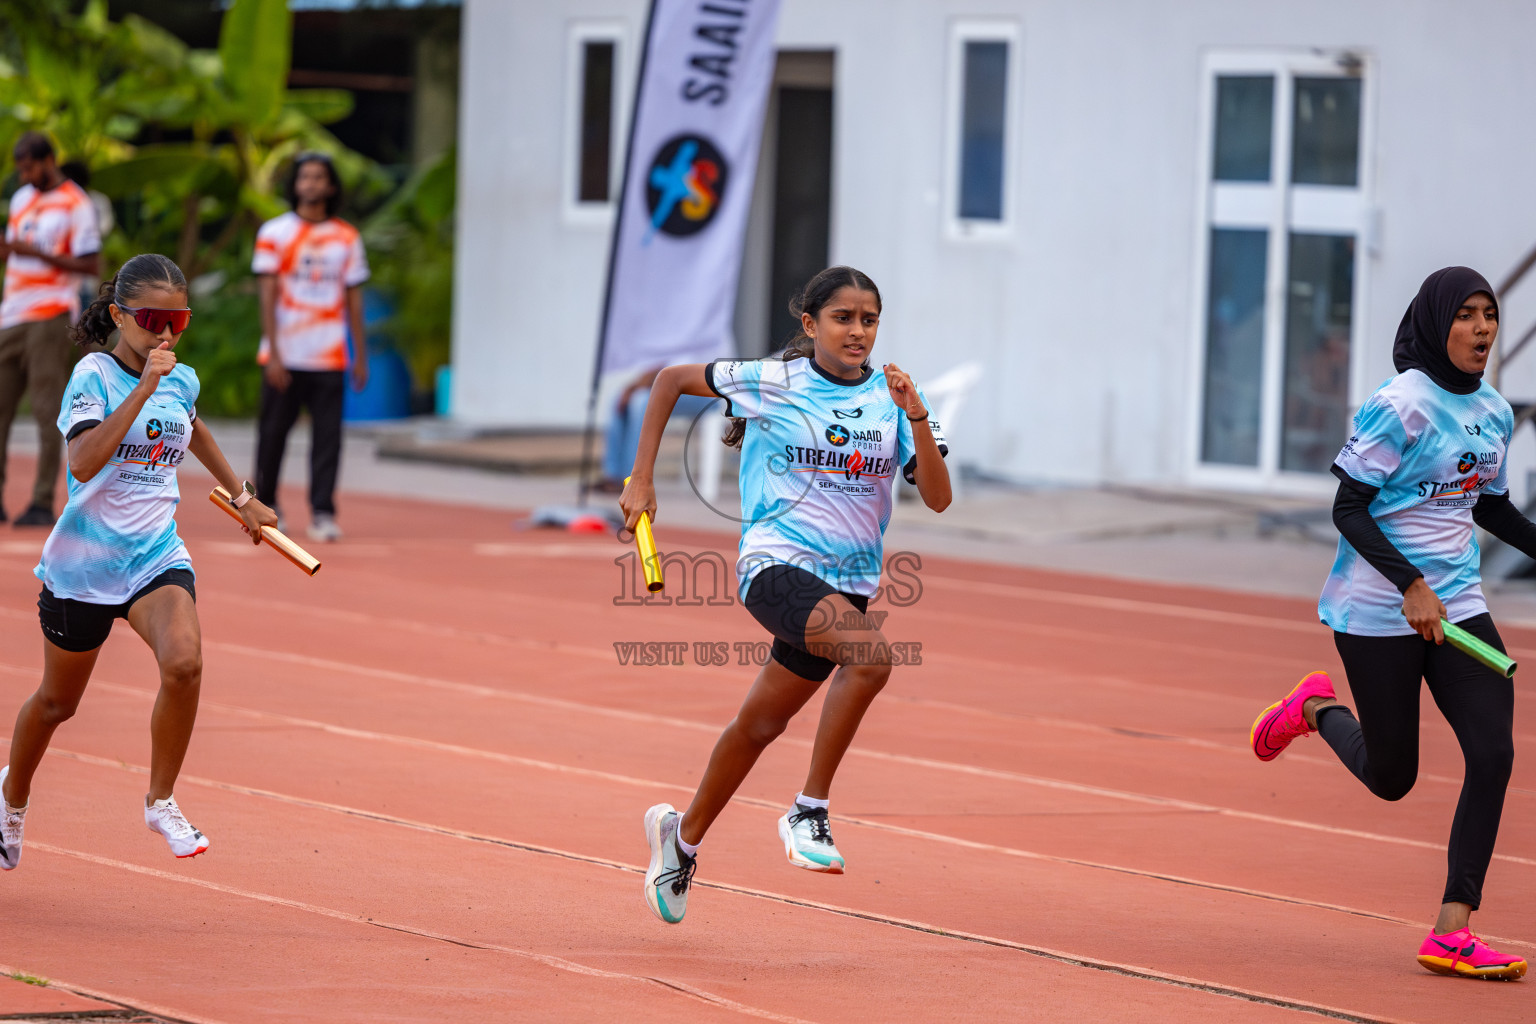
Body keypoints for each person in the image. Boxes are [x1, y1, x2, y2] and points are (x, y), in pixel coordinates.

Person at [620, 266, 951, 924]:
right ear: (811, 324)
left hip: (849, 586)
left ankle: (680, 842)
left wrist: (915, 414)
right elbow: (670, 381)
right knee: (873, 660)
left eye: (868, 319)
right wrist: (642, 478)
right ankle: (810, 811)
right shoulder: (776, 382)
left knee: (761, 724)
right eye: (843, 318)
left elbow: (938, 498)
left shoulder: (896, 400)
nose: (857, 330)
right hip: (776, 567)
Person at [1251, 267, 1529, 980]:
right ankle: (1313, 708)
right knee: (1392, 775)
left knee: (1494, 753)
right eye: (1465, 315)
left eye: (1489, 315)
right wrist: (1408, 585)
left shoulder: (1494, 412)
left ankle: (1451, 929)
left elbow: (1487, 506)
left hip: (1459, 607)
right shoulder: (1401, 405)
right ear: (1438, 324)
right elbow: (1347, 507)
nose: (1482, 329)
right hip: (1377, 610)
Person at [0, 253, 278, 869]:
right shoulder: (93, 376)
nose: (167, 334)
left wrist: (244, 496)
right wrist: (143, 388)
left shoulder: (181, 378)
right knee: (56, 703)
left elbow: (193, 426)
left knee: (184, 663)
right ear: (121, 315)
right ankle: (11, 797)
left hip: (154, 553)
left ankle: (161, 799)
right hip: (85, 564)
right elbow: (81, 462)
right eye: (154, 319)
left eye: (180, 321)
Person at [251, 152, 369, 542]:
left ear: (331, 186)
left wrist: (360, 355)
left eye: (320, 177)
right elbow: (266, 297)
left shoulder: (347, 238)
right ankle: (266, 506)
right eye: (306, 177)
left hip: (329, 356)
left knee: (328, 439)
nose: (312, 184)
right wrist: (275, 353)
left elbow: (354, 300)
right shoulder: (274, 233)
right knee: (273, 435)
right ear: (295, 184)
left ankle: (322, 512)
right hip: (285, 354)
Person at [0, 132, 102, 527]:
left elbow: (91, 265)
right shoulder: (23, 199)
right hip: (11, 314)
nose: (25, 176)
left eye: (29, 167)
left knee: (47, 411)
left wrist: (37, 254)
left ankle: (42, 500)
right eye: (20, 169)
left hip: (52, 313)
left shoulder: (77, 203)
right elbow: (17, 249)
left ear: (48, 160)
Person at [596, 366, 717, 492]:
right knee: (618, 398)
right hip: (670, 382)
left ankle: (633, 479)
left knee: (641, 400)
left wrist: (636, 387)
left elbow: (669, 374)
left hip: (704, 390)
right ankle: (613, 475)